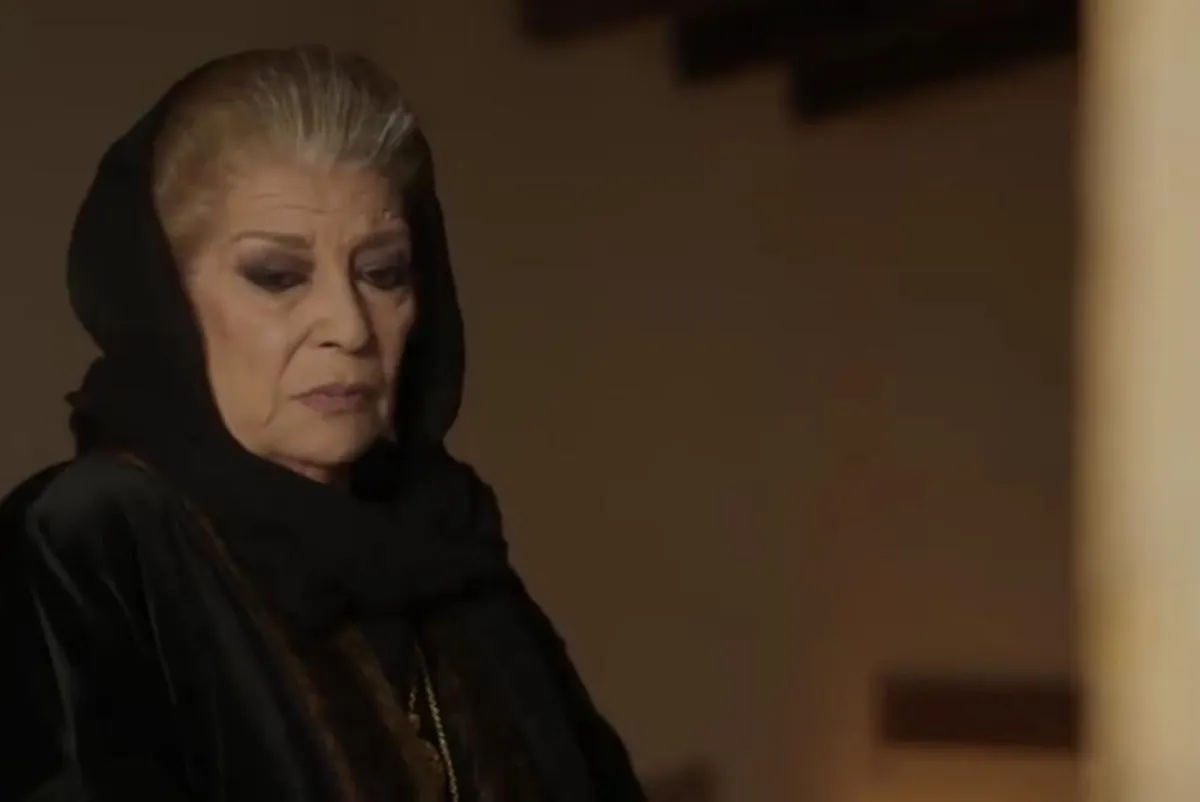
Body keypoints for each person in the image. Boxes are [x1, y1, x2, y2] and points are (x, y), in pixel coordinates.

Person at [1, 46, 645, 801]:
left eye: (382, 273)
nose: (349, 325)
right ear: (163, 298)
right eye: (278, 276)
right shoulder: (91, 539)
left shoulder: (453, 549)